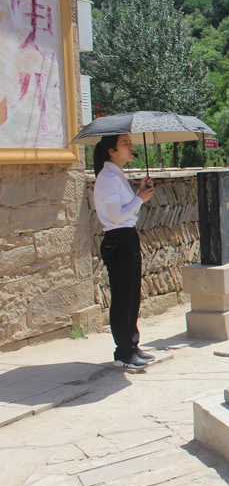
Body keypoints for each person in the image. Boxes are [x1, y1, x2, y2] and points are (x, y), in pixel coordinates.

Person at [93, 134, 155, 369]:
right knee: (122, 297)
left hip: (127, 237)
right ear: (111, 150)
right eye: (125, 143)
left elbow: (126, 212)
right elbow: (117, 216)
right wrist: (140, 198)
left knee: (132, 295)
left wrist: (139, 193)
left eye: (130, 143)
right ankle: (124, 353)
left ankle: (132, 345)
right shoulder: (108, 178)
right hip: (118, 239)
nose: (131, 147)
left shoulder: (116, 175)